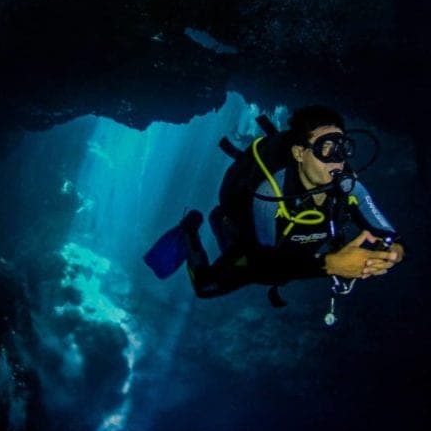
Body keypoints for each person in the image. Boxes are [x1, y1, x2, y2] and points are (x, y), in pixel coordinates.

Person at [146, 105, 404, 302]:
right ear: (299, 153)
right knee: (206, 287)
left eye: (343, 148)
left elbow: (393, 237)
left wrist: (391, 253)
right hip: (255, 244)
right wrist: (331, 264)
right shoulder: (270, 193)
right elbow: (264, 266)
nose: (337, 161)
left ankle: (218, 222)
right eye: (327, 148)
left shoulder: (350, 187)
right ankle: (193, 227)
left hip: (294, 251)